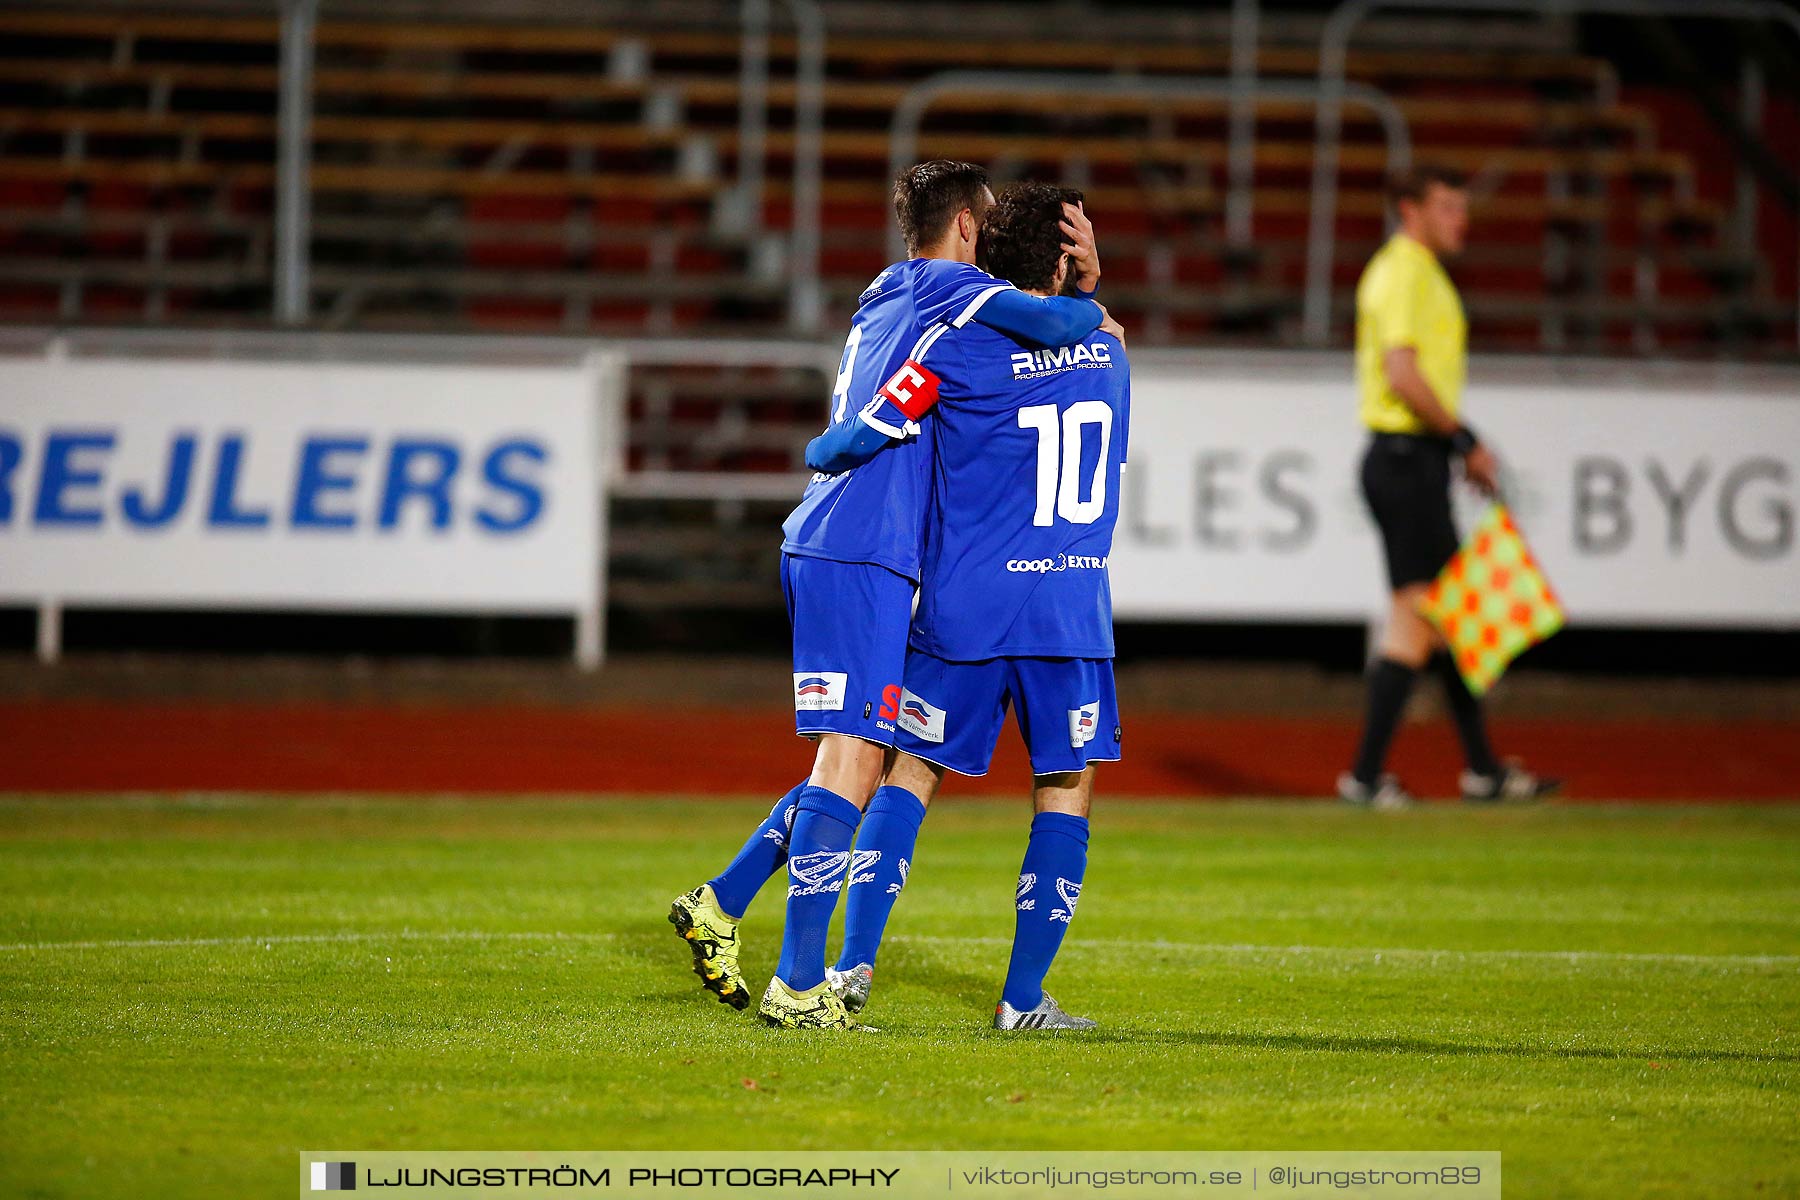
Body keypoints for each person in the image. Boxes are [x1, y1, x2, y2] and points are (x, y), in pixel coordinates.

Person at [667, 161, 1114, 1022]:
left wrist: (839, 448)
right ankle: (800, 986)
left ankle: (726, 901)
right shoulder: (961, 299)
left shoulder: (889, 290)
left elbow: (907, 392)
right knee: (856, 762)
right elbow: (1062, 323)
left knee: (866, 763)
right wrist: (1091, 297)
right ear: (964, 230)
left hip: (857, 551)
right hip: (868, 552)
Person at [808, 183, 1130, 1031]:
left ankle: (849, 967)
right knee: (1064, 787)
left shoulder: (955, 351)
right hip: (1068, 607)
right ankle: (1022, 1000)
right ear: (1069, 259)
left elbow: (873, 428)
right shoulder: (1112, 348)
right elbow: (1087, 338)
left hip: (965, 607)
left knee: (909, 773)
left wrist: (822, 450)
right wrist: (1089, 292)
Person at [1338, 165, 1559, 810]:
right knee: (1419, 618)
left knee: (1450, 617)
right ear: (1410, 210)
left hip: (1414, 461)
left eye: (1462, 207)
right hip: (1407, 459)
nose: (1460, 219)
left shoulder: (1418, 271)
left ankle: (1481, 770)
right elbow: (1401, 373)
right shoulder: (1405, 271)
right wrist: (1465, 440)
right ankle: (1367, 776)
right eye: (1447, 207)